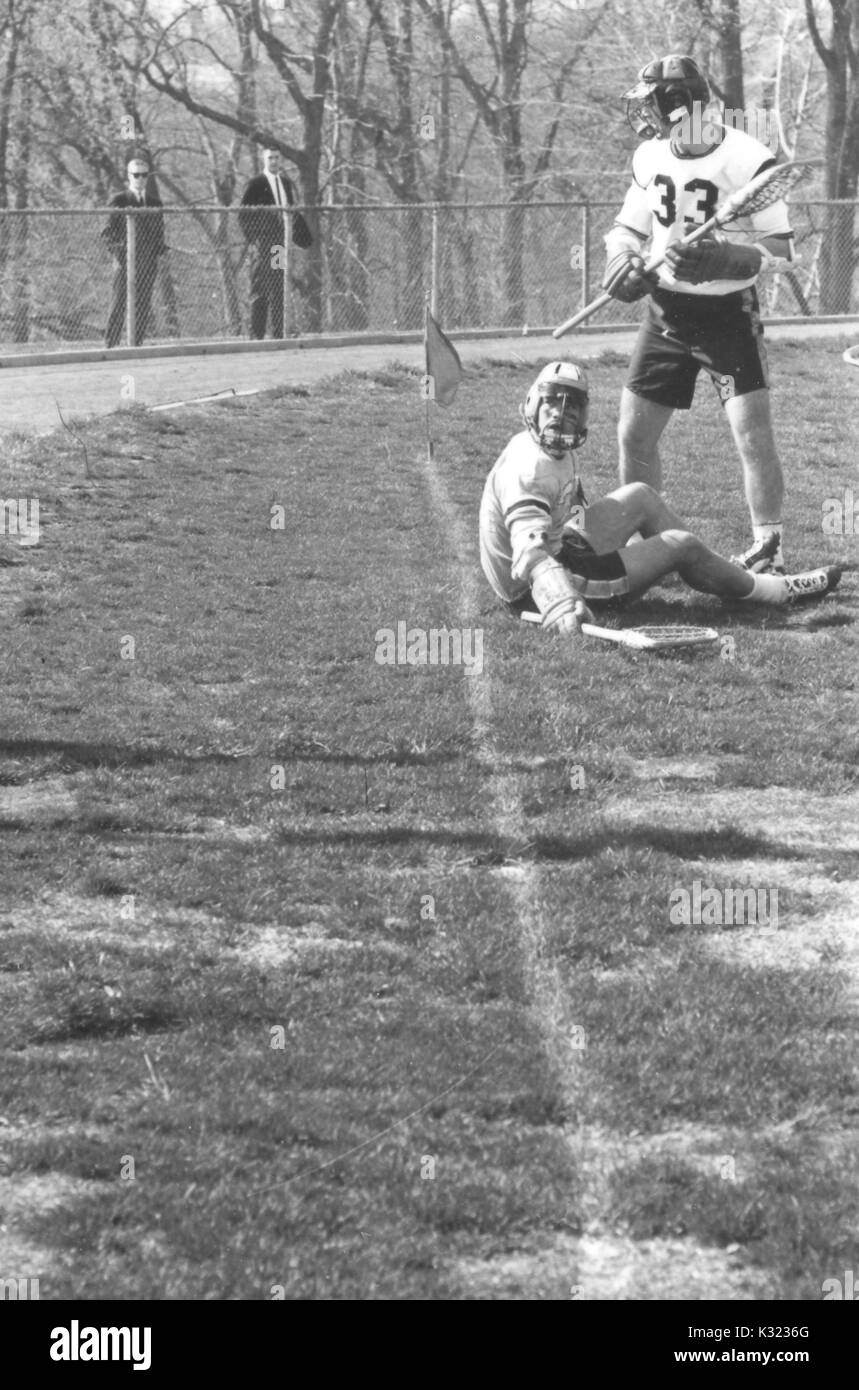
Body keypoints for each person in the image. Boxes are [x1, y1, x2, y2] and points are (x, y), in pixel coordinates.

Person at [601, 54, 796, 575]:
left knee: (751, 434)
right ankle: (645, 542)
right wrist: (623, 259)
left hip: (729, 312)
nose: (646, 118)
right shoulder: (650, 156)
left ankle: (769, 548)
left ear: (684, 106)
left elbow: (781, 249)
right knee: (633, 434)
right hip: (666, 309)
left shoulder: (748, 159)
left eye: (654, 105)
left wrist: (728, 258)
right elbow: (628, 227)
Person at [479, 362, 840, 638]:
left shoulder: (546, 451)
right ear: (531, 404)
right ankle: (775, 592)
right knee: (681, 545)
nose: (562, 414)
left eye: (572, 406)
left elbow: (570, 511)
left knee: (641, 495)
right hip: (538, 585)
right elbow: (531, 553)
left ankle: (719, 571)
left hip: (558, 550)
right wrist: (560, 602)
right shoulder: (531, 467)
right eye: (552, 404)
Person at [239, 146, 312, 340]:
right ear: (264, 159)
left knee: (278, 287)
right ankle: (257, 335)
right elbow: (243, 214)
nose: (274, 161)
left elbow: (292, 211)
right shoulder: (255, 183)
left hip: (279, 245)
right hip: (263, 245)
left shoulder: (285, 183)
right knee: (260, 287)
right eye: (270, 158)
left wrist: (304, 237)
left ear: (281, 160)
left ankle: (279, 333)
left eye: (277, 158)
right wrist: (254, 239)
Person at [102, 157, 167, 348]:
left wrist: (159, 249)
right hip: (124, 262)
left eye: (144, 175)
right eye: (136, 175)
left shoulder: (155, 203)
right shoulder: (119, 200)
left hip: (148, 261)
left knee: (143, 303)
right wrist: (121, 253)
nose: (140, 179)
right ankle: (111, 345)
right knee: (119, 303)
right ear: (129, 176)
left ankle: (136, 344)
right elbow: (107, 233)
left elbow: (159, 232)